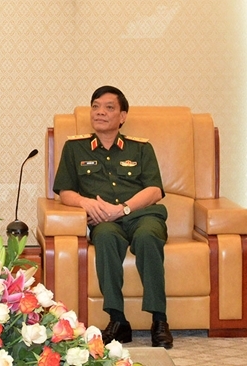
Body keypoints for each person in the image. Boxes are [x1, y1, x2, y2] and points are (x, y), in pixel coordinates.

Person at [53, 85, 173, 349]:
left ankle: (159, 320)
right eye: (95, 106)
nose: (100, 112)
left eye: (109, 108)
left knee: (148, 238)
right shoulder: (74, 148)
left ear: (122, 116)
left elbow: (154, 191)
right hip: (104, 221)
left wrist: (123, 209)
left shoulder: (141, 148)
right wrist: (85, 203)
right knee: (105, 238)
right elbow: (64, 191)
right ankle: (118, 320)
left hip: (142, 215)